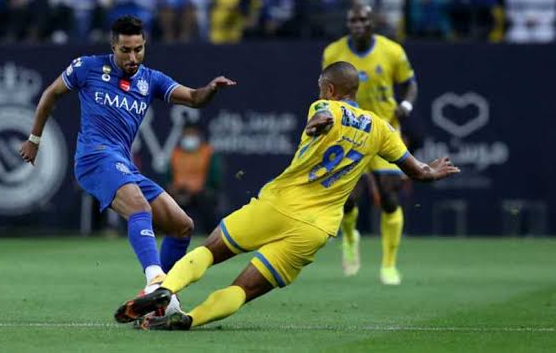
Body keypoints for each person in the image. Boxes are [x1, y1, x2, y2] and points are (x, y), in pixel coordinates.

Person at [114, 61, 459, 330]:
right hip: (316, 228)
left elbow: (322, 117)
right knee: (245, 289)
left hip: (279, 204)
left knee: (211, 250)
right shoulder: (382, 129)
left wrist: (319, 123)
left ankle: (166, 288)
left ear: (329, 88)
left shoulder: (325, 107)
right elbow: (417, 172)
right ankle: (191, 319)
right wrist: (434, 170)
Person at [19, 16, 236, 307]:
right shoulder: (87, 67)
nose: (133, 57)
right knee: (140, 207)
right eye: (125, 50)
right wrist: (34, 140)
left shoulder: (151, 80)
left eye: (138, 49)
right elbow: (51, 94)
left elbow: (195, 98)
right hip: (94, 157)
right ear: (113, 47)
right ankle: (155, 281)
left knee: (181, 225)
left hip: (123, 165)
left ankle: (161, 298)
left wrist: (210, 89)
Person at [321, 5, 418, 285]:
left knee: (388, 196)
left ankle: (389, 265)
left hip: (385, 130)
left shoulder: (392, 51)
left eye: (363, 19)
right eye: (353, 20)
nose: (358, 24)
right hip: (350, 132)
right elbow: (327, 90)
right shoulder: (333, 52)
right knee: (349, 198)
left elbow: (410, 83)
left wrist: (407, 104)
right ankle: (350, 236)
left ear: (373, 22)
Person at [166, 123, 223, 234]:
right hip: (179, 193)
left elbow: (215, 178)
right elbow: (167, 176)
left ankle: (211, 235)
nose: (189, 137)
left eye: (192, 134)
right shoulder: (175, 153)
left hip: (200, 194)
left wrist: (205, 189)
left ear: (198, 135)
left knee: (207, 204)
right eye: (187, 134)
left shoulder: (207, 152)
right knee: (166, 204)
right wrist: (173, 189)